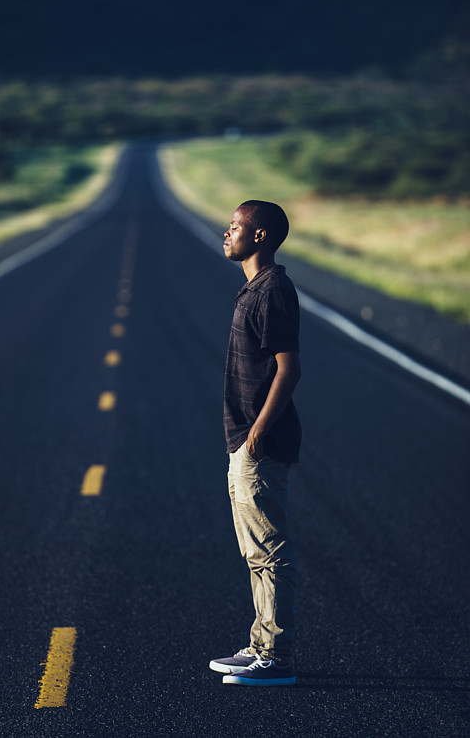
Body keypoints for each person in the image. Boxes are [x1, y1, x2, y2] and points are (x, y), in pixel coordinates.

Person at [209, 200, 302, 687]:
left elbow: (290, 368)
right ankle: (261, 645)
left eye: (235, 227)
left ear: (260, 236)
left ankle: (276, 658)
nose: (226, 234)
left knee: (270, 552)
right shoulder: (254, 290)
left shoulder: (272, 291)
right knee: (255, 553)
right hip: (244, 440)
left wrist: (258, 433)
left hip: (257, 442)